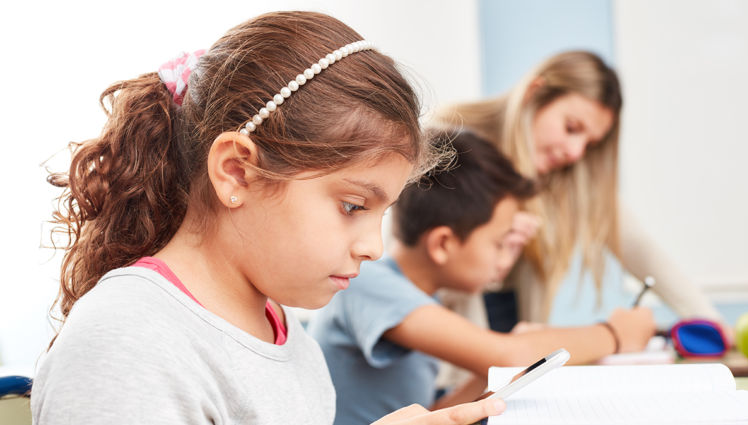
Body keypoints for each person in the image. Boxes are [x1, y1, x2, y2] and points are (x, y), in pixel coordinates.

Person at [31, 12, 506, 424]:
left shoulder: (278, 324)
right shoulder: (126, 344)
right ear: (237, 173)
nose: (373, 247)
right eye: (353, 207)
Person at [431, 50, 733, 391]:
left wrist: (714, 326)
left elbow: (639, 247)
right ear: (534, 94)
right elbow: (415, 267)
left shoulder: (569, 175)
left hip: (514, 341)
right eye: (571, 128)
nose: (575, 152)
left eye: (589, 144)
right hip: (444, 352)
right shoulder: (449, 141)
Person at [306, 131, 655, 425]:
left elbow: (429, 418)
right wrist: (616, 334)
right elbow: (509, 353)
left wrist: (489, 377)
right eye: (500, 242)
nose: (506, 260)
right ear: (443, 244)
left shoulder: (418, 297)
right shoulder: (369, 284)